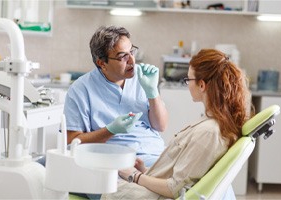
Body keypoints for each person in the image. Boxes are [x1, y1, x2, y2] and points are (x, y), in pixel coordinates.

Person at [100, 48, 253, 200]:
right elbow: (186, 172)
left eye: (188, 80)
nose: (187, 84)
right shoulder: (213, 125)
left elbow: (175, 188)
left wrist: (135, 176)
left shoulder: (209, 132)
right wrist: (146, 171)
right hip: (162, 186)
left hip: (166, 195)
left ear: (202, 85)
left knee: (112, 190)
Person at [63, 25, 168, 168]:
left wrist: (153, 93)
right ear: (102, 63)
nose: (132, 60)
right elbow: (72, 142)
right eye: (123, 56)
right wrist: (111, 130)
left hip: (155, 154)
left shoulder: (142, 77)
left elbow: (160, 126)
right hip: (115, 160)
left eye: (132, 52)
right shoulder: (81, 90)